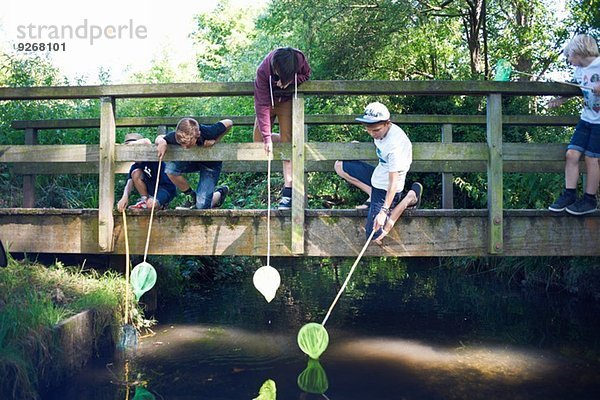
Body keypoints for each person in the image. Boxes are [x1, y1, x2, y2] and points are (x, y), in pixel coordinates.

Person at [334, 102, 423, 243]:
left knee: (375, 234)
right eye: (368, 129)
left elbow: (393, 182)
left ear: (388, 123)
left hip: (387, 188)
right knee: (340, 166)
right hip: (378, 176)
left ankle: (409, 198)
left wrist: (383, 212)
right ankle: (372, 195)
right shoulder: (381, 131)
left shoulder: (395, 147)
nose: (372, 133)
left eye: (376, 130)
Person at [548, 34, 600, 215]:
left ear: (579, 52)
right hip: (586, 119)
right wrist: (561, 99)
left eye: (569, 56)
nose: (568, 60)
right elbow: (578, 87)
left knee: (592, 158)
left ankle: (589, 199)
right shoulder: (579, 71)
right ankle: (569, 194)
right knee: (571, 154)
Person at [254, 47, 311, 209]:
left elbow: (306, 75)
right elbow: (261, 105)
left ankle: (288, 192)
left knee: (288, 145)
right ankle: (282, 140)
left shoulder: (299, 58)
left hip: (286, 102)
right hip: (267, 103)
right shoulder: (263, 70)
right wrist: (267, 137)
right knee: (258, 142)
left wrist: (290, 81)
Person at [155, 117, 232, 210]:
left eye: (188, 144)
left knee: (202, 207)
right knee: (170, 169)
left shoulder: (209, 132)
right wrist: (162, 142)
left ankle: (219, 194)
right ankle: (191, 196)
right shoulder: (178, 136)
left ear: (197, 136)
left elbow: (229, 122)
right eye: (182, 143)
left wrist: (216, 140)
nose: (184, 147)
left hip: (210, 164)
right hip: (190, 161)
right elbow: (159, 138)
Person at [116, 133, 177, 212]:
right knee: (135, 173)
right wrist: (124, 197)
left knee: (152, 204)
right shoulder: (135, 166)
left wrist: (132, 144)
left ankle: (159, 203)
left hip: (166, 188)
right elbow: (129, 183)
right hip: (152, 192)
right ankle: (145, 200)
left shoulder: (152, 157)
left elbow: (147, 141)